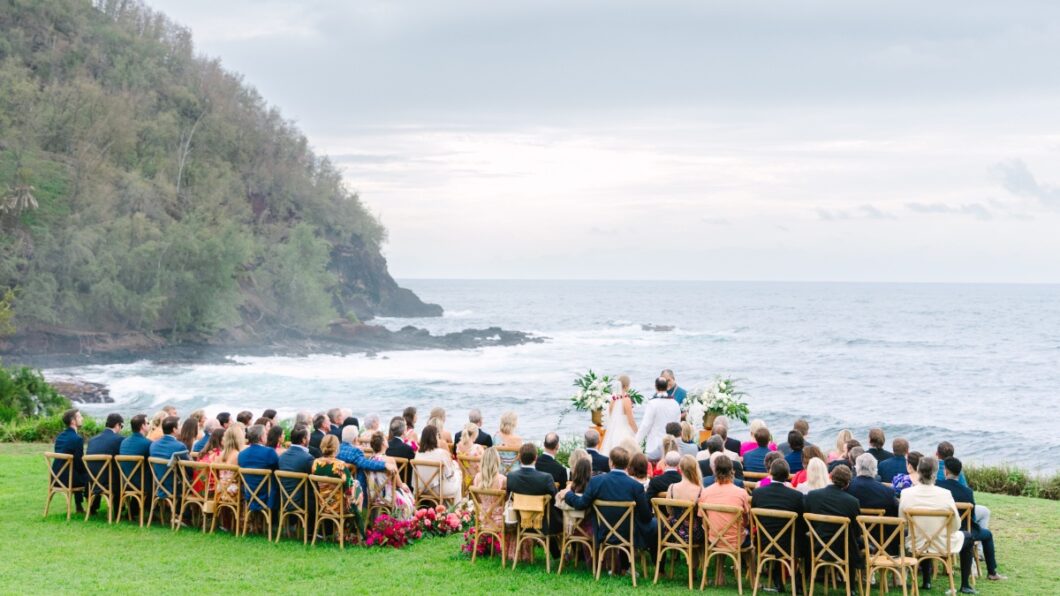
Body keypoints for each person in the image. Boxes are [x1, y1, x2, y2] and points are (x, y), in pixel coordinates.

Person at [899, 457, 977, 594]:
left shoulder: (906, 493)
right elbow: (956, 525)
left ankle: (926, 581)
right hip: (942, 544)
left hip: (916, 543)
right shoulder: (945, 494)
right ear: (935, 473)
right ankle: (965, 584)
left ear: (918, 471)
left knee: (924, 533)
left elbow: (902, 521)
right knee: (968, 537)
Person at [561, 447, 656, 550]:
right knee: (655, 523)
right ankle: (656, 562)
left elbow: (581, 504)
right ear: (628, 464)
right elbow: (646, 516)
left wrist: (568, 494)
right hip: (629, 534)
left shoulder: (596, 481)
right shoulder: (636, 486)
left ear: (610, 462)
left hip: (603, 532)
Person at [939, 457, 1006, 582]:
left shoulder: (938, 487)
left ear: (946, 471)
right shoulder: (967, 492)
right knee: (988, 535)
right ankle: (992, 572)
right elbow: (972, 516)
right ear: (959, 472)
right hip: (963, 532)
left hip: (940, 530)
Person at [751, 458, 806, 593]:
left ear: (770, 472)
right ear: (788, 475)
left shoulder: (758, 493)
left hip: (763, 542)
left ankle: (779, 576)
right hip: (789, 544)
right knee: (802, 534)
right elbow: (801, 522)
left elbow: (754, 518)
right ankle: (798, 578)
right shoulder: (796, 496)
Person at [804, 465, 862, 568]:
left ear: (830, 476)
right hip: (843, 550)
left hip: (816, 545)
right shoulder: (852, 502)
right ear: (847, 483)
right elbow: (856, 531)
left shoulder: (812, 495)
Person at [506, 443, 562, 545]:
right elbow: (556, 499)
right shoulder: (546, 478)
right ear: (536, 458)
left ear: (519, 458)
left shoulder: (511, 477)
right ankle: (560, 551)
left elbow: (508, 498)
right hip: (543, 523)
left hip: (520, 521)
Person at [700, 455, 750, 549]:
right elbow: (746, 519)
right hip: (736, 540)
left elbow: (703, 518)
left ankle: (719, 561)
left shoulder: (705, 492)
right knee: (749, 535)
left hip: (713, 538)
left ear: (714, 471)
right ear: (731, 470)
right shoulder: (741, 492)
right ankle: (747, 563)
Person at [338, 425, 394, 508]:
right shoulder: (355, 452)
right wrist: (384, 464)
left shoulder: (337, 448)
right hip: (353, 490)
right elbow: (366, 463)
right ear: (355, 439)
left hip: (337, 488)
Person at [365, 432, 414, 520]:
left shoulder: (370, 460)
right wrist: (403, 485)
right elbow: (399, 484)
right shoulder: (389, 460)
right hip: (387, 497)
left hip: (373, 496)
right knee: (407, 492)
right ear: (383, 443)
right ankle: (406, 523)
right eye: (385, 439)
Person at [312, 435, 359, 519]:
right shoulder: (340, 465)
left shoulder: (316, 463)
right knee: (357, 485)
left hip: (322, 504)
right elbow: (349, 484)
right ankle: (356, 522)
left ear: (322, 446)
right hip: (338, 506)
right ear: (337, 448)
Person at [635, 377, 681, 460]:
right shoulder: (675, 403)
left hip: (654, 446)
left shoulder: (653, 403)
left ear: (655, 387)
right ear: (667, 387)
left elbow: (646, 425)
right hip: (671, 446)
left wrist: (635, 442)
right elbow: (678, 425)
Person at [238, 424, 279, 512]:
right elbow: (278, 468)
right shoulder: (269, 452)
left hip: (249, 493)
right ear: (261, 438)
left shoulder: (242, 454)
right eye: (265, 434)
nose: (267, 436)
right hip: (267, 495)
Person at [414, 425, 462, 501]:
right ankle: (457, 507)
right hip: (438, 490)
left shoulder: (417, 454)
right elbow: (449, 474)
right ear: (435, 438)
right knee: (458, 474)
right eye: (438, 436)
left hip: (422, 489)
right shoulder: (441, 453)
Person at [53, 408, 88, 512]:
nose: (82, 418)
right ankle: (92, 508)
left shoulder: (60, 436)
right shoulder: (77, 439)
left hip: (56, 477)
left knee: (76, 472)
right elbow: (78, 463)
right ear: (73, 421)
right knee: (92, 478)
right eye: (79, 416)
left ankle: (79, 506)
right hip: (68, 480)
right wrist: (88, 472)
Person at [86, 413, 125, 503]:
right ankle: (121, 509)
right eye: (121, 426)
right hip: (110, 481)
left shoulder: (92, 440)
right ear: (117, 425)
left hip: (92, 479)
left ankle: (93, 507)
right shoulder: (119, 439)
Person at [148, 416, 189, 498]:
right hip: (174, 486)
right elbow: (188, 468)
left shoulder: (153, 444)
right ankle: (187, 510)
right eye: (180, 425)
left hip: (158, 484)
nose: (181, 427)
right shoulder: (179, 446)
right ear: (174, 429)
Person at [277, 425, 314, 514]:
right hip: (302, 502)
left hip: (284, 500)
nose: (310, 439)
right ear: (304, 440)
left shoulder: (282, 456)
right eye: (309, 436)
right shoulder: (308, 458)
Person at [118, 414, 153, 502]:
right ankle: (152, 510)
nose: (149, 425)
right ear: (142, 426)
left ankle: (136, 509)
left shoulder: (124, 442)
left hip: (124, 483)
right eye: (148, 423)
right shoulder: (147, 443)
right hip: (142, 484)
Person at [601, 374, 639, 455]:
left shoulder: (613, 400)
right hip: (625, 432)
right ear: (626, 386)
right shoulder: (626, 400)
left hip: (614, 432)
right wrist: (637, 432)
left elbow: (611, 418)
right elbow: (631, 421)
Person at [215, 425, 246, 511]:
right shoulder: (238, 455)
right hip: (233, 491)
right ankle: (244, 520)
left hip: (219, 490)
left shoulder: (220, 455)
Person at [385, 417, 417, 485]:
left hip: (388, 483)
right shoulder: (408, 449)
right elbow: (414, 467)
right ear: (404, 432)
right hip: (405, 484)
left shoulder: (386, 446)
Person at [193, 429, 225, 494]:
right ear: (221, 440)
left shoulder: (203, 453)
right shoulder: (219, 454)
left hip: (196, 490)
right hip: (210, 492)